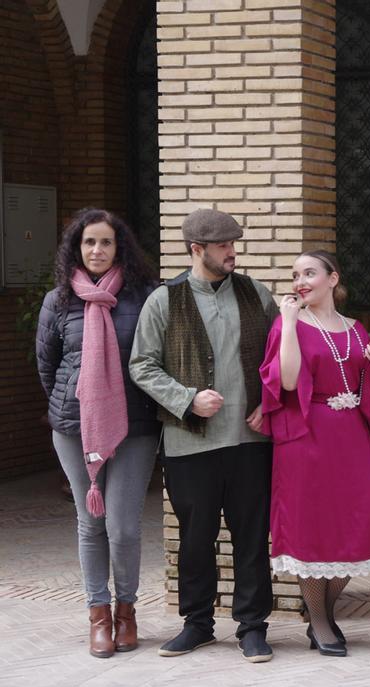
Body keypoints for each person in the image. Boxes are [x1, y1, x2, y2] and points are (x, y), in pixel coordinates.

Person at [130, 208, 279, 663]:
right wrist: (186, 398)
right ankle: (197, 624)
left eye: (234, 243)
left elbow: (277, 359)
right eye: (222, 245)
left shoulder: (256, 293)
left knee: (251, 536)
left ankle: (252, 627)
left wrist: (267, 404)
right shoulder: (164, 300)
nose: (232, 251)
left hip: (250, 443)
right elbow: (142, 365)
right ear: (197, 249)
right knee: (195, 537)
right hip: (189, 443)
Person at [35, 208, 161, 658]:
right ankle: (98, 615)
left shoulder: (146, 296)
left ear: (119, 246)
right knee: (91, 523)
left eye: (106, 242)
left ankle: (127, 612)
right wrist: (80, 405)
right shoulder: (59, 301)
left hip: (135, 425)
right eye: (89, 242)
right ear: (76, 247)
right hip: (74, 427)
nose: (97, 250)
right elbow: (47, 367)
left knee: (123, 527)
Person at [259, 251, 370, 657]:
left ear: (333, 279)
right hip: (307, 438)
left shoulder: (356, 328)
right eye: (295, 274)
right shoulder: (288, 324)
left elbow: (366, 385)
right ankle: (319, 622)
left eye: (309, 273)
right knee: (312, 530)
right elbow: (292, 379)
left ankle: (325, 615)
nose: (301, 280)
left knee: (353, 526)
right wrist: (292, 321)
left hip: (351, 439)